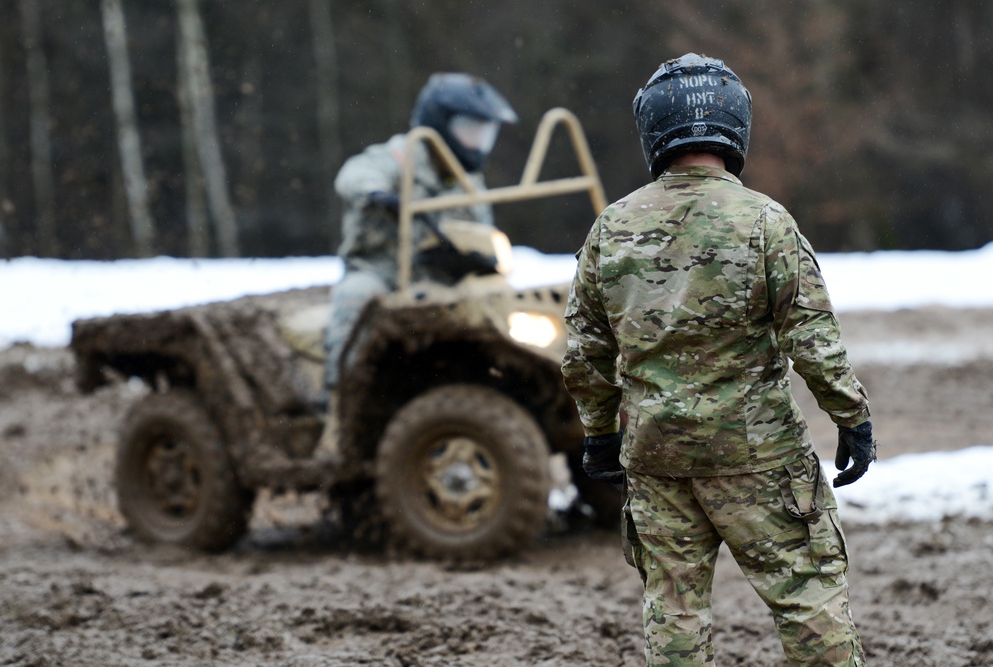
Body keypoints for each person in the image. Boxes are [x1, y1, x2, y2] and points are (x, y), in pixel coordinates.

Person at [561, 53, 876, 666]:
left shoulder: (612, 228)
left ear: (653, 131)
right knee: (806, 597)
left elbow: (585, 353)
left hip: (657, 455)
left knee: (673, 609)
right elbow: (811, 335)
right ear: (736, 128)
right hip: (757, 453)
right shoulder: (764, 220)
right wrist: (851, 417)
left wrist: (599, 434)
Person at [322, 73, 517, 406]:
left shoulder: (468, 180)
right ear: (440, 123)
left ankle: (510, 390)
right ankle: (340, 400)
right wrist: (378, 195)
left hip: (442, 280)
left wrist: (471, 257)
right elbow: (353, 175)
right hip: (383, 272)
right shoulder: (400, 156)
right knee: (355, 296)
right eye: (471, 130)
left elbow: (483, 232)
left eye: (485, 133)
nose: (478, 142)